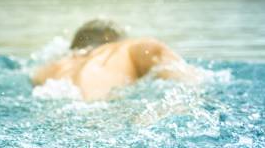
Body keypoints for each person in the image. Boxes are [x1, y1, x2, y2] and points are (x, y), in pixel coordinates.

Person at [33, 19, 200, 101]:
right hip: (108, 116)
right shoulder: (130, 47)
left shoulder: (47, 70)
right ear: (110, 38)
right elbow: (186, 82)